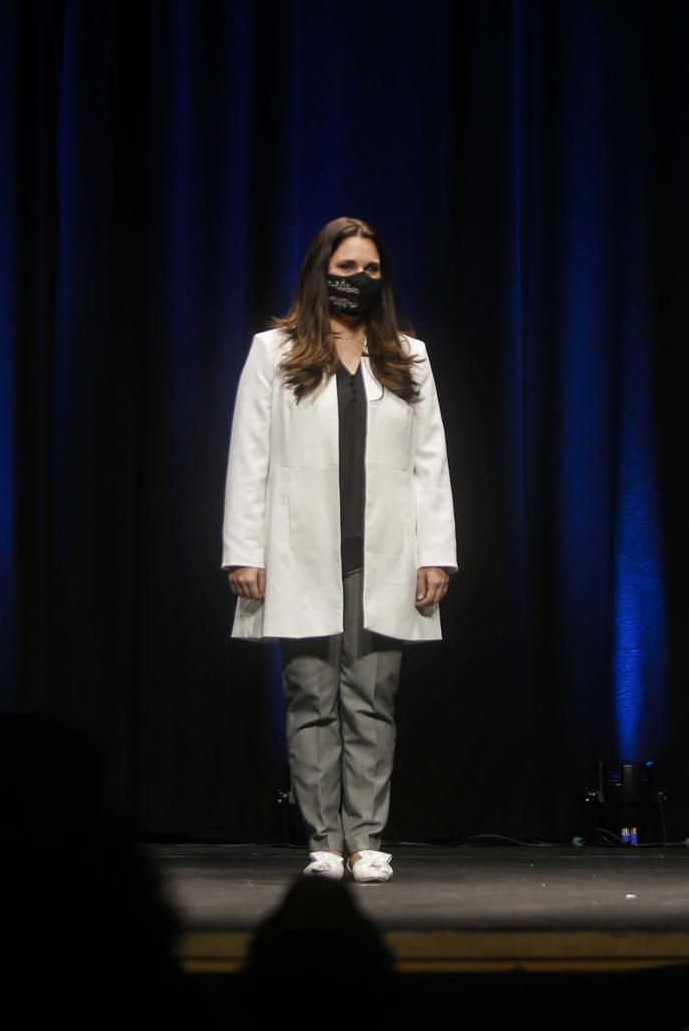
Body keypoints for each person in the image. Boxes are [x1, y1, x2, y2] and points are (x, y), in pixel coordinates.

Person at [222, 217, 457, 883]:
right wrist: (244, 550)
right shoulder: (276, 351)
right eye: (348, 267)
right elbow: (250, 457)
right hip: (301, 554)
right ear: (322, 270)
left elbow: (430, 461)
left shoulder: (408, 355)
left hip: (382, 556)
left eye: (372, 270)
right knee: (311, 696)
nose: (360, 280)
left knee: (371, 699)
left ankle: (367, 837)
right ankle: (324, 838)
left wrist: (436, 552)